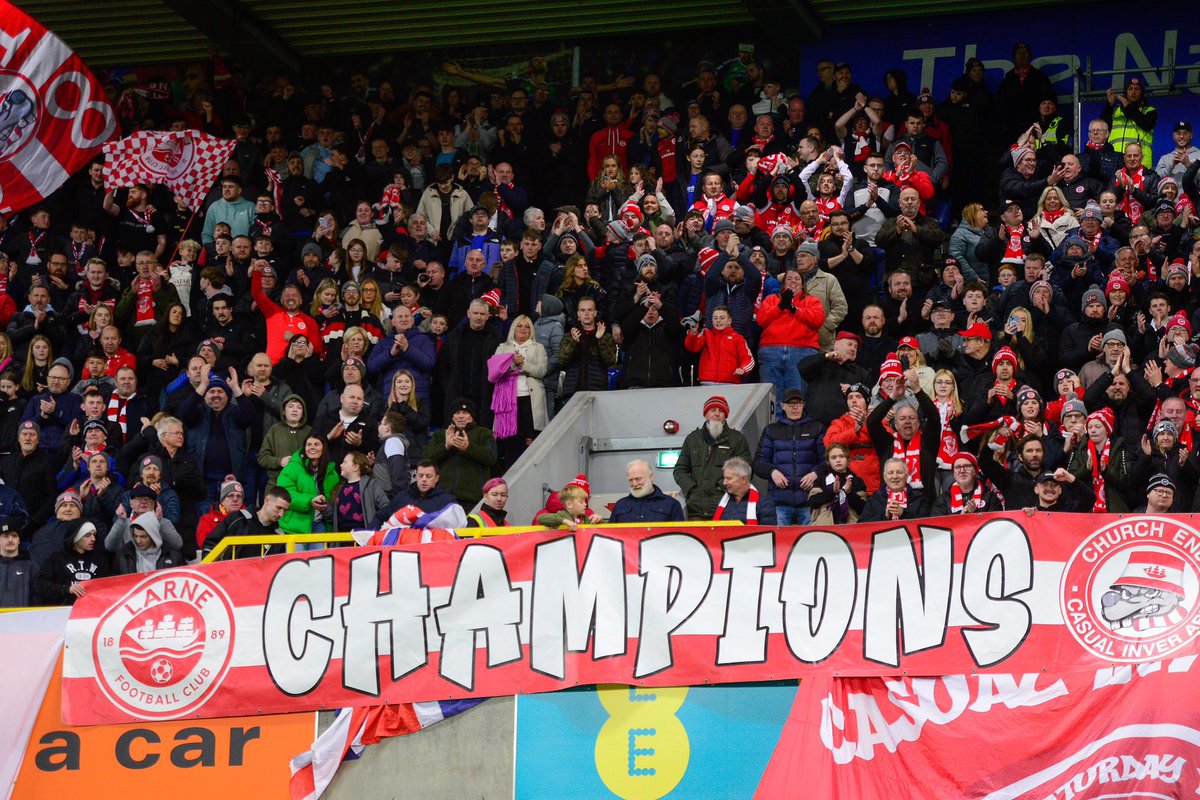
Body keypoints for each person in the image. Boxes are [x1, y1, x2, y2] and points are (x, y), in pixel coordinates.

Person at [672, 395, 752, 519]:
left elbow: (746, 469)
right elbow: (679, 470)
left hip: (727, 506)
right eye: (713, 410)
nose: (717, 414)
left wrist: (722, 487)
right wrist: (692, 489)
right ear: (705, 414)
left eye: (721, 411)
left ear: (725, 416)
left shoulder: (737, 439)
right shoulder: (692, 438)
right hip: (695, 508)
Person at [753, 388, 825, 525]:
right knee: (780, 544)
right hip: (779, 501)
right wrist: (772, 472)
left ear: (804, 405)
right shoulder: (771, 430)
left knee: (812, 542)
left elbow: (827, 461)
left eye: (799, 403)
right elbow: (758, 464)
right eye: (791, 404)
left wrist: (815, 474)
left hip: (810, 499)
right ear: (783, 406)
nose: (795, 407)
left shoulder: (817, 427)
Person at [425, 398, 497, 508]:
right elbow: (427, 458)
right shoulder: (440, 434)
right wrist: (446, 446)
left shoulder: (483, 433)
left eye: (465, 412)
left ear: (472, 416)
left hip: (472, 499)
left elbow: (491, 457)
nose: (461, 416)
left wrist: (468, 448)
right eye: (457, 413)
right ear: (452, 417)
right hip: (443, 498)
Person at [202, 486, 293, 560]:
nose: (281, 514)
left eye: (284, 510)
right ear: (266, 501)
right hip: (230, 579)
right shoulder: (238, 518)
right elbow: (210, 545)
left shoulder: (279, 534)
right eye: (278, 508)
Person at [33, 519, 108, 605]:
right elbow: (41, 585)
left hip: (93, 611)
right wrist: (66, 590)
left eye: (94, 535)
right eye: (87, 535)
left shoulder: (99, 560)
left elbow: (108, 587)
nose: (93, 539)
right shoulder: (56, 559)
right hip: (64, 613)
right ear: (76, 537)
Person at [807, 443, 869, 525]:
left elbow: (863, 509)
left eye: (842, 456)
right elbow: (812, 502)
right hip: (825, 528)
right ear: (828, 461)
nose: (838, 460)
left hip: (851, 528)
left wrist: (849, 494)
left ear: (848, 459)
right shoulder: (821, 479)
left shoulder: (856, 480)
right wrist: (831, 492)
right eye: (833, 457)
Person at [106, 510, 185, 574]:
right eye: (135, 536)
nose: (138, 541)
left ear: (153, 535)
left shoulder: (173, 556)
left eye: (143, 537)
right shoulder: (123, 556)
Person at [608, 459, 685, 523]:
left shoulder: (672, 504)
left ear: (651, 477)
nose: (634, 484)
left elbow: (680, 537)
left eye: (638, 479)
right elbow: (609, 536)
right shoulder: (620, 505)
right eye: (630, 480)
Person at [332, 452, 389, 532]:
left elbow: (385, 506)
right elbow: (332, 516)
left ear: (355, 467)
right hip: (341, 538)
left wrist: (375, 527)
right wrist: (323, 508)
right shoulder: (339, 489)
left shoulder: (371, 485)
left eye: (345, 462)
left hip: (364, 537)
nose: (341, 465)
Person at [712, 457, 774, 524]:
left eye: (729, 478)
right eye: (724, 478)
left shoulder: (764, 504)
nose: (724, 482)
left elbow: (767, 533)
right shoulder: (721, 502)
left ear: (743, 479)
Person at [537, 482, 602, 529]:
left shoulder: (585, 518)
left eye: (585, 501)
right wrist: (565, 522)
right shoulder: (561, 515)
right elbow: (541, 519)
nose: (585, 504)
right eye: (581, 502)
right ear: (569, 504)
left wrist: (599, 520)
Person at [0, 519, 31, 607]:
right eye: (5, 536)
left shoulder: (31, 567)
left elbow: (37, 599)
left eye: (14, 536)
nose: (10, 540)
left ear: (19, 540)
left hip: (23, 619)